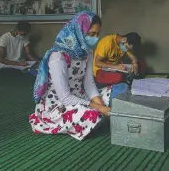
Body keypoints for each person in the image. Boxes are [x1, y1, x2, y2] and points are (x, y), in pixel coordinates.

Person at [29, 11, 126, 140]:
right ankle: (94, 118)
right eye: (91, 34)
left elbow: (89, 84)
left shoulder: (86, 53)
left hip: (82, 97)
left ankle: (99, 115)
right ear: (78, 31)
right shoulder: (58, 57)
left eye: (97, 34)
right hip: (59, 106)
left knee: (122, 89)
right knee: (94, 116)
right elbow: (65, 98)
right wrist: (101, 108)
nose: (95, 38)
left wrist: (101, 105)